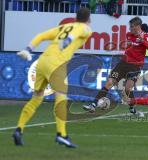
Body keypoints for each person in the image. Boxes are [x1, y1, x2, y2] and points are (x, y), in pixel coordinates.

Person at [13, 8, 92, 148]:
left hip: (42, 62)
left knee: (36, 97)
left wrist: (28, 49)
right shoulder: (86, 28)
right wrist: (68, 40)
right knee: (61, 99)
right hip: (56, 64)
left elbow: (41, 35)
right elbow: (80, 31)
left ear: (76, 17)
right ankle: (61, 135)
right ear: (88, 18)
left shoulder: (64, 27)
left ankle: (19, 129)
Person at [83, 17, 148, 116]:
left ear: (138, 26)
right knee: (109, 83)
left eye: (132, 26)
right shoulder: (129, 35)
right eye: (130, 26)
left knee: (128, 89)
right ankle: (93, 105)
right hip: (123, 64)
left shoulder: (145, 36)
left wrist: (142, 41)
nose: (130, 28)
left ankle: (132, 109)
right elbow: (130, 47)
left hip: (135, 66)